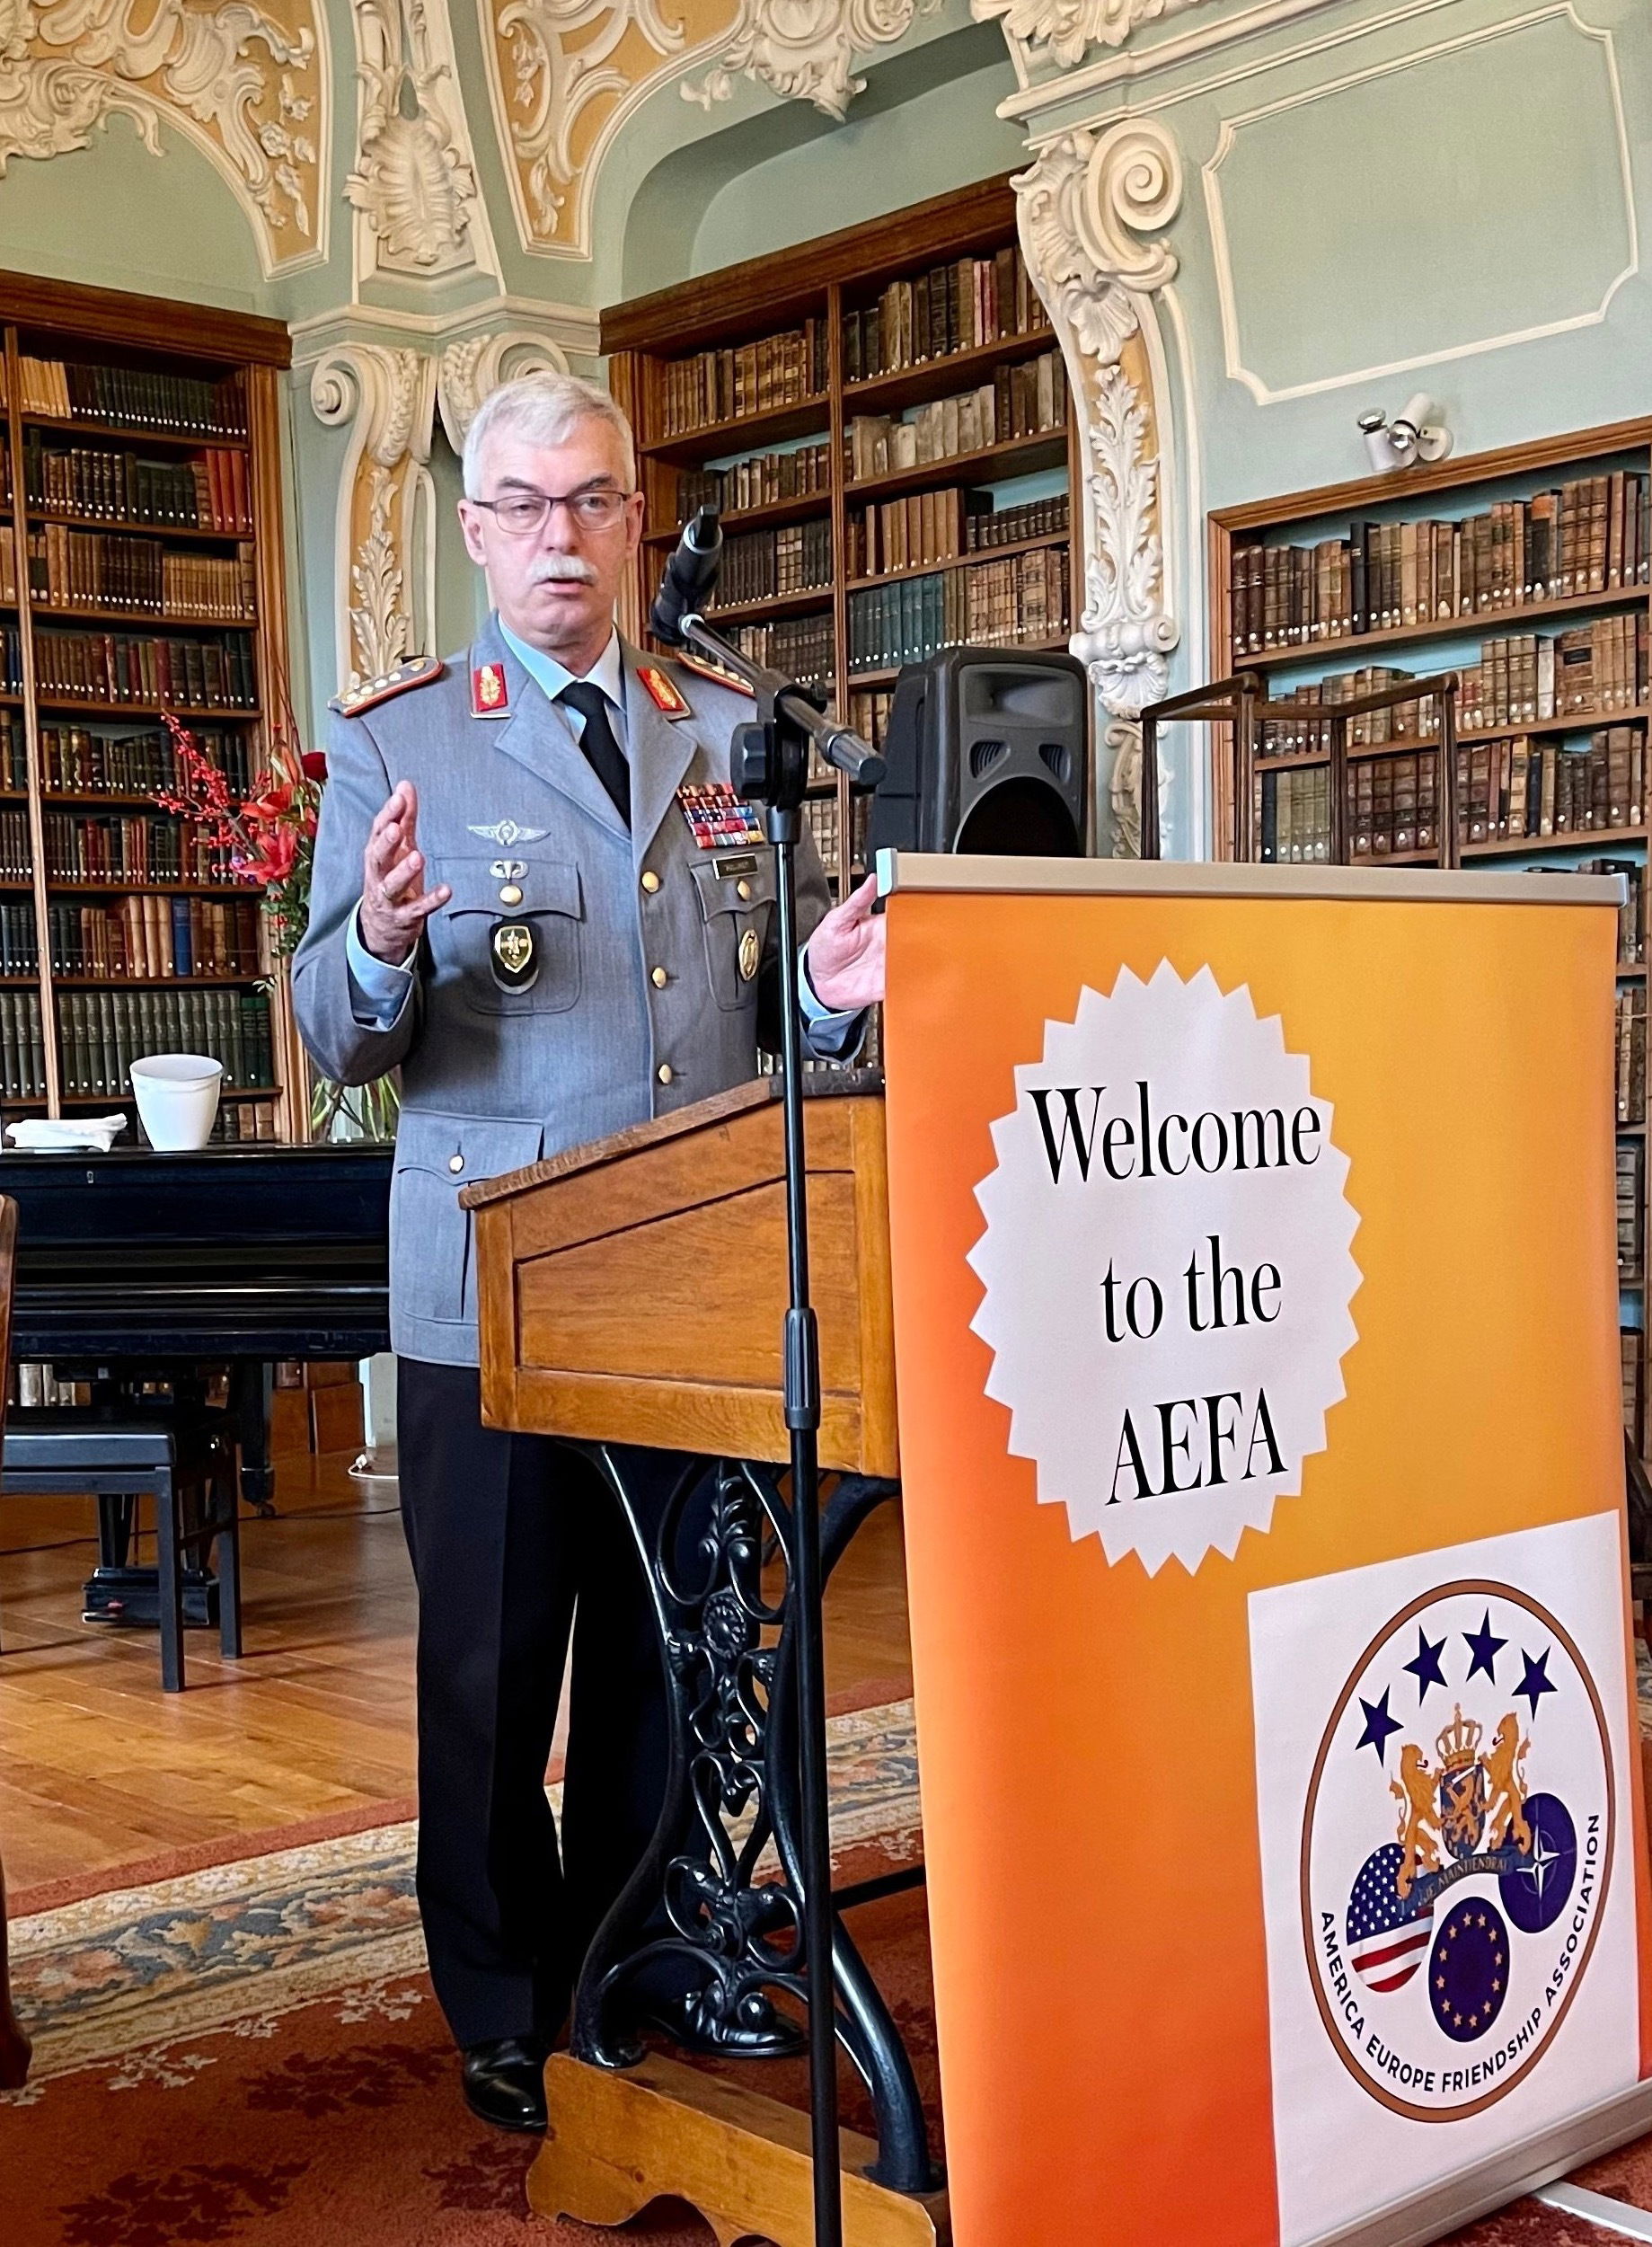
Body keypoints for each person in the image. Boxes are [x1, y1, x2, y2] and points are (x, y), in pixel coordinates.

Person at [292, 371, 885, 2132]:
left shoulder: (721, 723)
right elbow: (334, 1029)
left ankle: (638, 1957)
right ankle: (501, 1989)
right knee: (489, 1663)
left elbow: (739, 1004)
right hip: (492, 1287)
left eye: (594, 500)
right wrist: (387, 939)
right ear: (475, 532)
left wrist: (828, 997)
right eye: (526, 504)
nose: (563, 534)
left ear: (637, 517)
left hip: (690, 1278)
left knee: (668, 1645)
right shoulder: (403, 741)